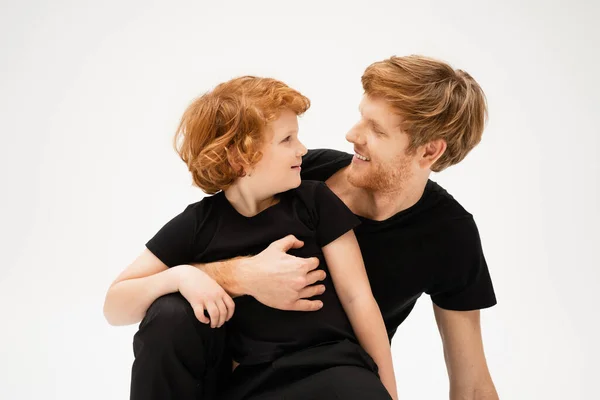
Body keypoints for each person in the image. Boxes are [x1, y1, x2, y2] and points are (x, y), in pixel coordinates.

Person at [192, 55, 499, 399]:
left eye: (377, 129)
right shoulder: (300, 174)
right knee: (169, 316)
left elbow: (472, 385)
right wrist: (241, 275)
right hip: (230, 372)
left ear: (429, 151)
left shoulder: (449, 234)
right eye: (361, 117)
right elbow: (173, 266)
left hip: (334, 386)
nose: (352, 135)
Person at [104, 76, 398, 399]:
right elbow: (114, 305)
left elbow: (359, 299)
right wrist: (180, 276)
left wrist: (389, 392)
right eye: (287, 140)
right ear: (239, 158)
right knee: (167, 312)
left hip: (333, 367)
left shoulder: (315, 201)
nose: (302, 149)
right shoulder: (200, 224)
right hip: (254, 382)